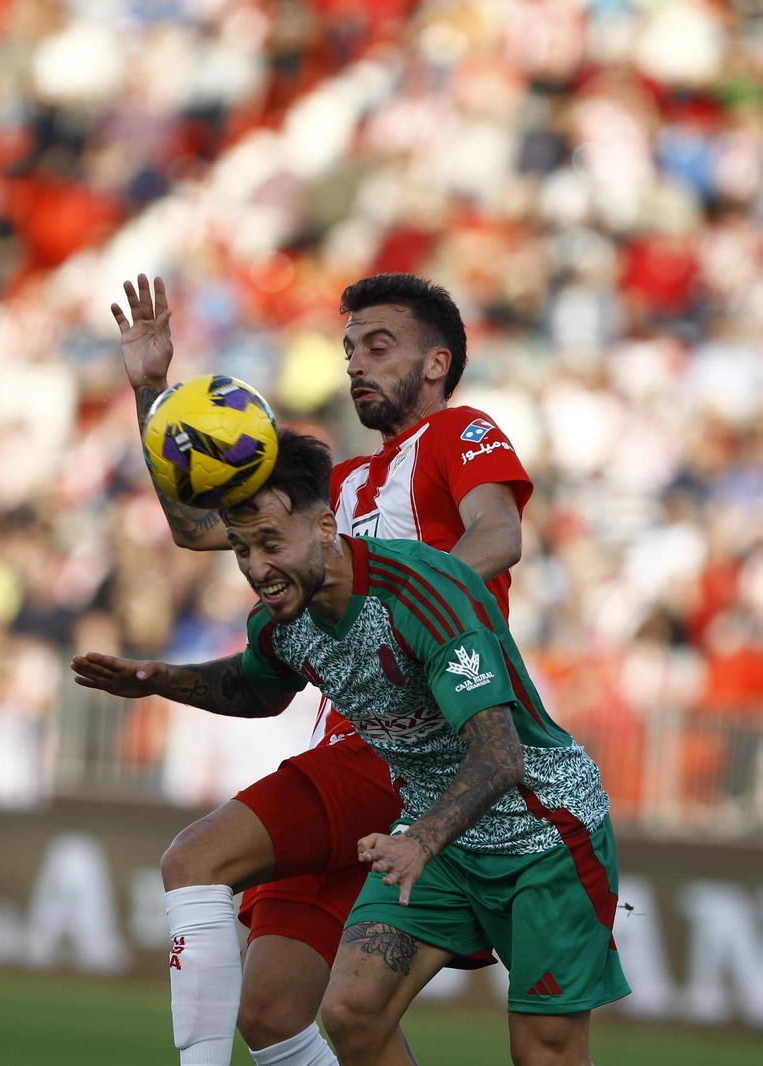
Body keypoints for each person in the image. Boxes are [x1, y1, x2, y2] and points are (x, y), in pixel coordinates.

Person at [72, 431, 628, 1066]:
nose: (257, 569)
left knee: (545, 1055)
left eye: (272, 544)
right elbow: (256, 689)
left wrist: (418, 840)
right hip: (440, 840)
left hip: (544, 836)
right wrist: (160, 680)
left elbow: (501, 755)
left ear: (327, 526)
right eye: (241, 550)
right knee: (351, 1011)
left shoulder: (421, 593)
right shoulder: (283, 618)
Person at [110, 273, 532, 1066]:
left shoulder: (459, 434)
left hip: (414, 737)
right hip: (349, 747)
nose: (356, 364)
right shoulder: (336, 487)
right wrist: (153, 390)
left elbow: (499, 535)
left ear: (437, 363)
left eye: (379, 345)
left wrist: (407, 612)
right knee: (273, 1012)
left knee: (196, 859)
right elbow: (196, 526)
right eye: (349, 350)